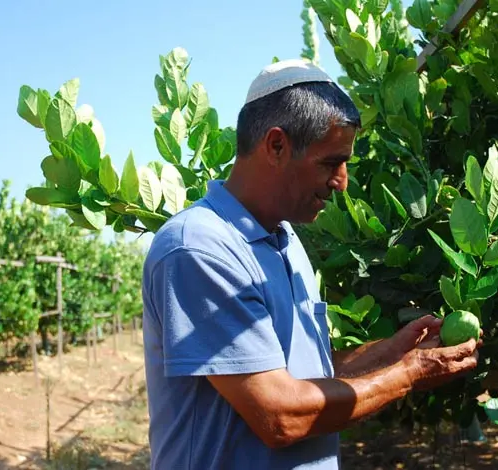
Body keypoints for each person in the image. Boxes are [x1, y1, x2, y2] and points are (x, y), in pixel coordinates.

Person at [141, 59, 480, 470]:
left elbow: (302, 375)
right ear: (277, 145)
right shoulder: (199, 248)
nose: (342, 181)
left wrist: (395, 351)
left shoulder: (286, 243)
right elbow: (279, 414)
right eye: (331, 162)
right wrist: (410, 373)